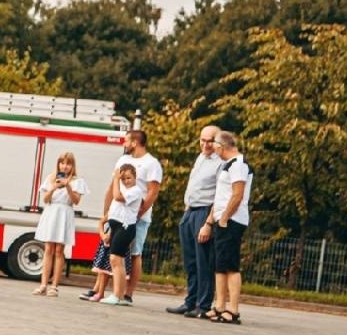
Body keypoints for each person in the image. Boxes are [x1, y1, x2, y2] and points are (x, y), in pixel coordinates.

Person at [99, 129, 163, 302]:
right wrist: (107, 213)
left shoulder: (152, 164)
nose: (123, 144)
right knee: (113, 252)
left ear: (135, 142)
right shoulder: (123, 160)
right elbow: (113, 187)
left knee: (134, 253)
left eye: (126, 140)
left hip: (136, 218)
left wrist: (138, 214)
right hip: (117, 216)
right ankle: (101, 291)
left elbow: (152, 192)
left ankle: (127, 294)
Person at [168, 125, 223, 318]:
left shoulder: (220, 163)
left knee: (204, 261)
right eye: (203, 140)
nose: (205, 144)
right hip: (190, 211)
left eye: (210, 140)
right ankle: (190, 300)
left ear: (218, 141)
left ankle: (204, 304)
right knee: (190, 261)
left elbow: (220, 195)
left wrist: (208, 222)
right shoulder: (200, 158)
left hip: (204, 212)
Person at [199, 131, 251, 324]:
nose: (214, 150)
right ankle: (220, 305)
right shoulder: (228, 165)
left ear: (222, 146)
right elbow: (221, 195)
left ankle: (233, 309)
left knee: (230, 265)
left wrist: (225, 218)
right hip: (221, 219)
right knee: (219, 265)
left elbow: (237, 194)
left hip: (231, 221)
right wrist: (212, 220)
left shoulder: (238, 165)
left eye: (215, 147)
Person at [32, 151, 84, 296]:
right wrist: (54, 187)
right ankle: (43, 284)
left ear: (72, 165)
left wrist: (67, 186)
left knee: (59, 250)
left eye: (68, 163)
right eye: (62, 163)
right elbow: (45, 199)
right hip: (51, 212)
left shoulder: (77, 181)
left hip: (64, 213)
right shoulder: (51, 178)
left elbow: (76, 201)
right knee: (48, 249)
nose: (64, 166)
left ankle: (54, 286)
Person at [99, 164, 146, 306]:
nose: (126, 181)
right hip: (117, 227)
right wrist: (107, 231)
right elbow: (114, 211)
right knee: (116, 261)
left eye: (128, 178)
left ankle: (117, 295)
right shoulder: (122, 188)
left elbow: (117, 197)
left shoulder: (135, 191)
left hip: (125, 228)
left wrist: (116, 179)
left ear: (135, 177)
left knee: (115, 259)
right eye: (123, 178)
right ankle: (118, 294)